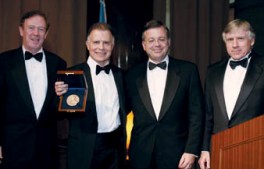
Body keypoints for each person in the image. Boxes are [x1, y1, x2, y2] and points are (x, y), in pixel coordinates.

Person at [125, 20, 204, 169]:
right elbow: (120, 110)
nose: (157, 44)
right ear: (144, 45)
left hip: (179, 155)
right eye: (151, 40)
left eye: (161, 39)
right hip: (140, 155)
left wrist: (191, 151)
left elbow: (197, 115)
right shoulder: (131, 75)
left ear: (168, 42)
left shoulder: (188, 71)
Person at [0, 10, 66, 169]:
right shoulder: (3, 62)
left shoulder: (58, 64)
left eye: (41, 29)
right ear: (21, 30)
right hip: (14, 148)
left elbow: (60, 111)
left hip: (47, 150)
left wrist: (63, 98)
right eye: (31, 28)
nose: (36, 33)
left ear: (46, 33)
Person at [55, 23, 127, 169]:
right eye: (96, 42)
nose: (101, 47)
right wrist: (58, 96)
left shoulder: (122, 75)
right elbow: (57, 113)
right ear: (87, 45)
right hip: (84, 149)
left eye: (106, 43)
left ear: (112, 46)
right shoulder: (71, 74)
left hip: (115, 150)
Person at [198, 19, 264, 169]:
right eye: (230, 40)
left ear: (252, 41)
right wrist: (205, 149)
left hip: (255, 150)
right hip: (219, 151)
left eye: (240, 39)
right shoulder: (212, 71)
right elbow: (208, 115)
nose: (235, 45)